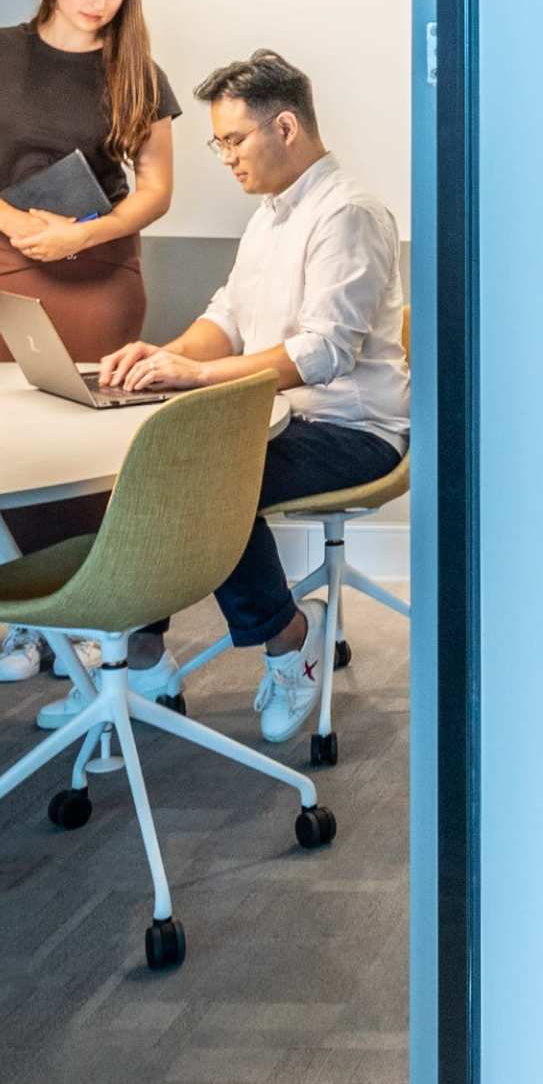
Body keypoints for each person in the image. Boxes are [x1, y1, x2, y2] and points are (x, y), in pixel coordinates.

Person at [68, 48, 408, 747]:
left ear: (285, 127)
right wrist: (162, 355)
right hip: (277, 417)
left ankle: (290, 641)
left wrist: (195, 379)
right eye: (217, 143)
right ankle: (143, 656)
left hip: (354, 429)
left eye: (233, 140)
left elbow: (324, 353)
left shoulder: (348, 214)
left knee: (208, 470)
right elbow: (226, 317)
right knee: (157, 457)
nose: (224, 157)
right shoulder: (269, 215)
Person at [0, 0, 179, 679]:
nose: (98, 4)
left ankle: (109, 609)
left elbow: (157, 189)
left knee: (96, 439)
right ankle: (34, 614)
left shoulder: (137, 72)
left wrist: (84, 234)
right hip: (9, 257)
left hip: (99, 264)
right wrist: (16, 225)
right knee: (13, 434)